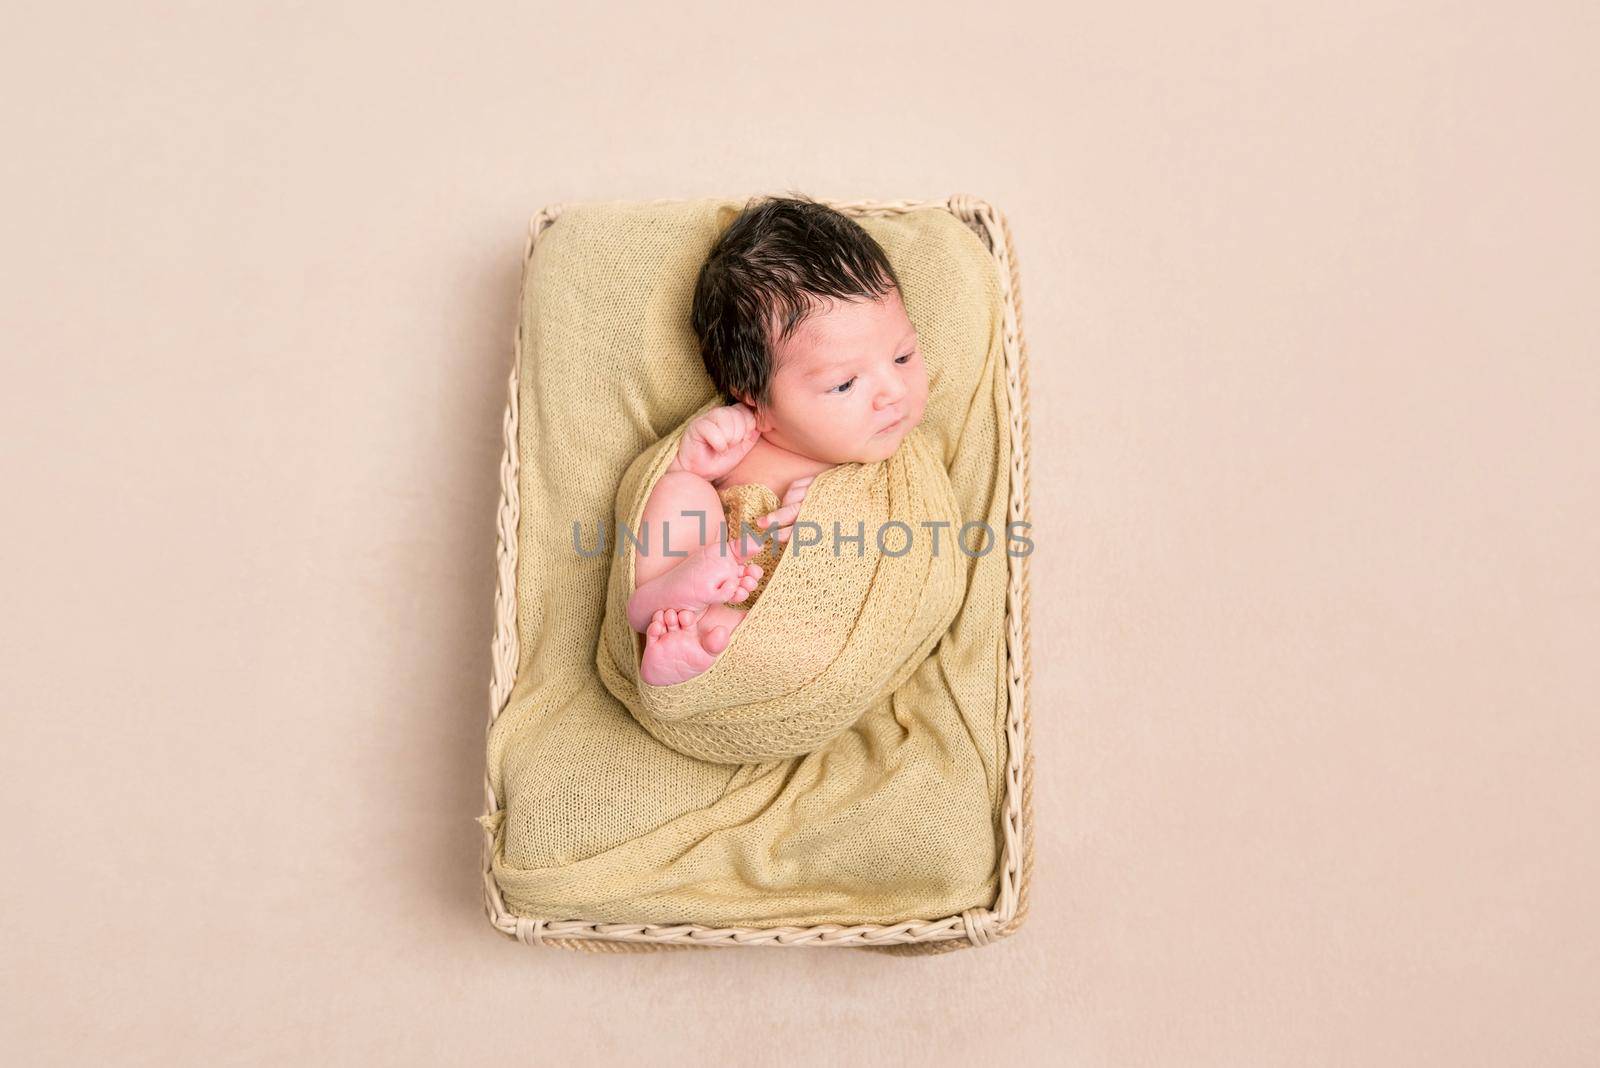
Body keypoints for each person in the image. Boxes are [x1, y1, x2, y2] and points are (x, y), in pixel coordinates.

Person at [627, 194, 930, 685]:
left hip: (800, 643)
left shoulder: (895, 456)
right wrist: (693, 469)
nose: (894, 393)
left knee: (744, 635)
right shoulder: (741, 441)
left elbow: (918, 568)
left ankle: (716, 638)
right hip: (715, 592)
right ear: (756, 400)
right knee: (676, 493)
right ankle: (658, 603)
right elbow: (652, 496)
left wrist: (842, 507)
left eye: (902, 356)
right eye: (844, 384)